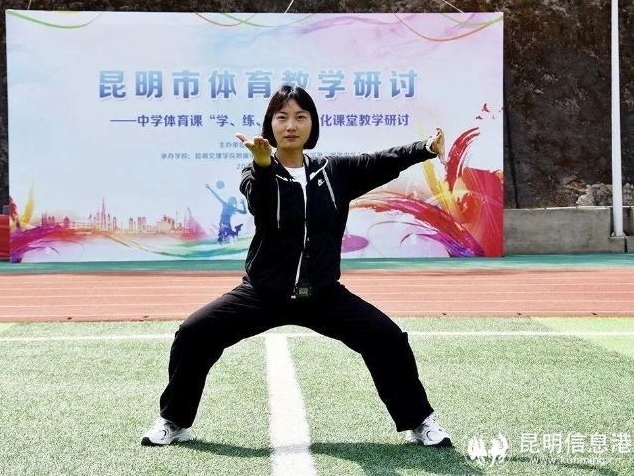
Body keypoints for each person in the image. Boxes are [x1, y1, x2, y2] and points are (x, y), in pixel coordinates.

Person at [141, 84, 452, 448]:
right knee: (194, 334)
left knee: (387, 339)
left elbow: (381, 160)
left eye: (300, 117)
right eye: (282, 117)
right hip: (263, 293)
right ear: (270, 125)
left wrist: (426, 148)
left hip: (322, 293)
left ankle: (419, 421)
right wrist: (262, 164)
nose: (291, 125)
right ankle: (175, 420)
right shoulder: (255, 172)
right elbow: (260, 201)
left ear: (311, 124)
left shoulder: (335, 171)